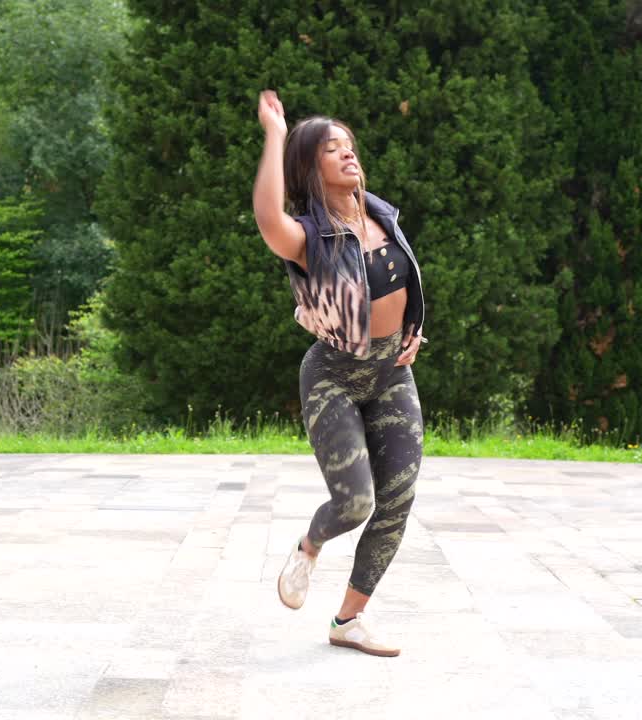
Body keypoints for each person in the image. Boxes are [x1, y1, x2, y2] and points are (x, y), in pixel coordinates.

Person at [252, 90, 426, 658]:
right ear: (310, 166)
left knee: (397, 498)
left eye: (350, 146)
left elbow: (397, 284)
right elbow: (267, 217)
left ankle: (349, 620)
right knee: (354, 503)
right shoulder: (305, 238)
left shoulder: (381, 213)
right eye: (333, 149)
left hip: (391, 375)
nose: (349, 155)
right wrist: (275, 136)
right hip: (333, 375)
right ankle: (308, 547)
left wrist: (414, 327)